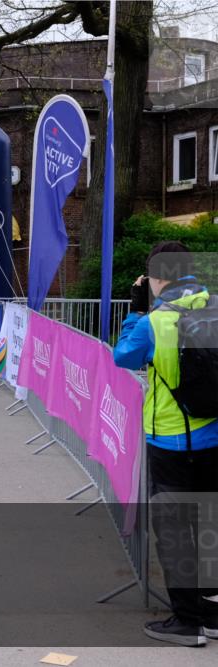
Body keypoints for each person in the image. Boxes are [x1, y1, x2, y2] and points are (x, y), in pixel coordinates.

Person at [112, 241, 217, 647]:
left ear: (157, 277)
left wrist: (136, 310)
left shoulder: (154, 321)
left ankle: (187, 622)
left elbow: (123, 357)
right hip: (214, 436)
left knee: (175, 532)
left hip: (172, 440)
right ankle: (212, 615)